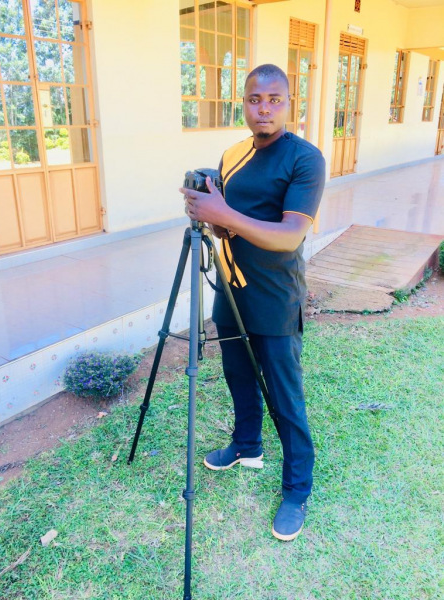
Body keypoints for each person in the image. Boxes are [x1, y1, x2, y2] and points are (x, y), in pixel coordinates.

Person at [180, 64, 325, 541]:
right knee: (238, 375)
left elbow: (289, 236)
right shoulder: (233, 155)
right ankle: (247, 445)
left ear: (289, 103)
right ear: (242, 103)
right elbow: (228, 228)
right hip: (230, 288)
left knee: (285, 397)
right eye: (254, 99)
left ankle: (297, 490)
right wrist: (207, 211)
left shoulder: (305, 159)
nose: (264, 109)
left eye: (274, 99)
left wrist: (222, 211)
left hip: (276, 296)